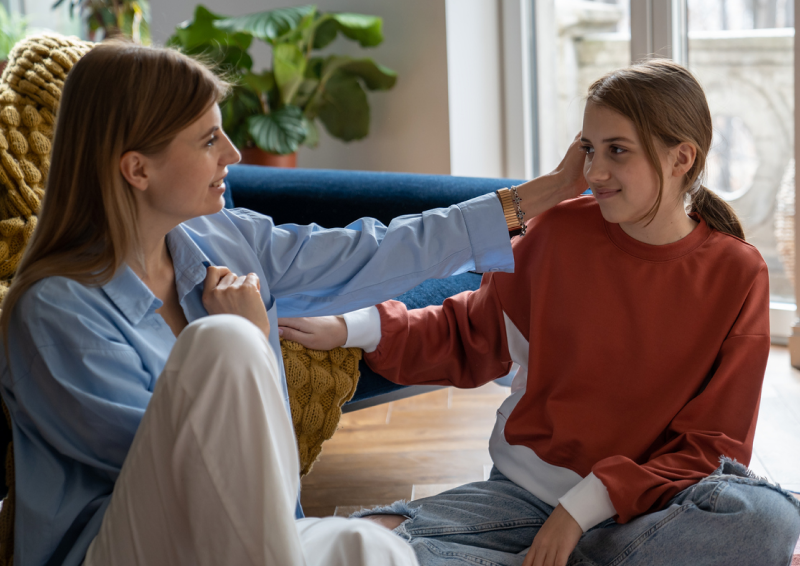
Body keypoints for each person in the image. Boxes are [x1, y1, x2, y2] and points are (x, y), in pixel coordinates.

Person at [0, 40, 587, 566]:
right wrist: (254, 339)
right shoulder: (56, 312)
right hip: (123, 545)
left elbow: (373, 253)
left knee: (370, 546)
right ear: (137, 169)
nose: (232, 153)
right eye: (208, 139)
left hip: (258, 537)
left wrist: (547, 192)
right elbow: (186, 480)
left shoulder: (223, 239)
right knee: (223, 343)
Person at [279, 60, 800, 566]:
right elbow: (469, 332)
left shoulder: (737, 272)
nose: (595, 172)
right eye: (589, 149)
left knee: (767, 518)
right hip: (523, 496)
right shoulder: (557, 231)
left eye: (617, 151)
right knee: (366, 543)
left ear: (681, 158)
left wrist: (579, 512)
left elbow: (713, 445)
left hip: (648, 509)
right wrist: (353, 328)